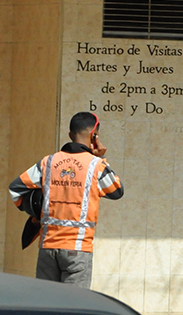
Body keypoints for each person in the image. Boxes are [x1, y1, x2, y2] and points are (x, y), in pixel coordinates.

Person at [9, 112, 124, 288]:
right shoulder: (95, 165)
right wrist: (100, 157)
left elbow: (16, 189)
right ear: (94, 135)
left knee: (47, 306)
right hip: (77, 250)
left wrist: (36, 210)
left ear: (70, 135)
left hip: (47, 247)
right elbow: (116, 190)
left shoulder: (48, 162)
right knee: (74, 309)